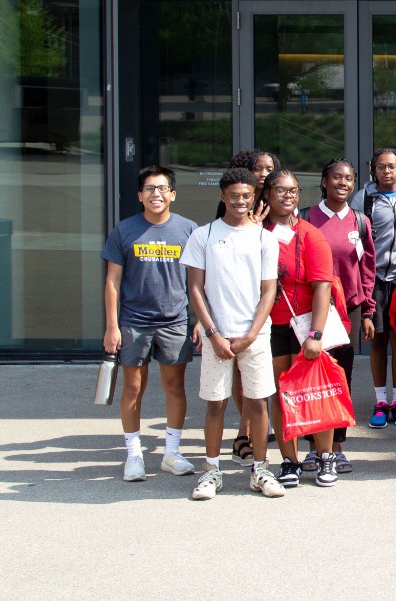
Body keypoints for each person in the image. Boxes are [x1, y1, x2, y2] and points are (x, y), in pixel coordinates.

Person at [180, 168, 284, 500]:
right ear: (222, 197)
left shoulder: (264, 238)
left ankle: (260, 469)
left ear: (255, 197)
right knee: (216, 403)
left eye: (247, 196)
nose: (241, 201)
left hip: (255, 335)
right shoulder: (203, 235)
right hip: (217, 336)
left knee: (257, 402)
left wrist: (251, 334)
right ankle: (211, 471)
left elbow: (269, 291)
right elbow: (195, 288)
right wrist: (212, 333)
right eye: (234, 196)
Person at [102, 165, 199, 481]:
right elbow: (113, 280)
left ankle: (171, 453)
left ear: (172, 194)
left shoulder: (188, 229)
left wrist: (198, 320)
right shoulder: (124, 230)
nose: (155, 194)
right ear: (139, 195)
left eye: (161, 188)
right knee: (133, 388)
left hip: (174, 320)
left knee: (175, 386)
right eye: (148, 189)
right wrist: (112, 326)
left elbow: (200, 281)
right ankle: (133, 455)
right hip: (134, 321)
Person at [262, 169, 345, 489]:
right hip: (272, 327)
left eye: (293, 191)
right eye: (280, 190)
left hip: (306, 326)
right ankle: (290, 460)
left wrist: (316, 335)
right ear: (267, 194)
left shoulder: (310, 234)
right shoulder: (259, 234)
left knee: (313, 393)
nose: (288, 196)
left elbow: (323, 287)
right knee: (282, 395)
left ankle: (325, 457)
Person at [299, 158, 374, 473]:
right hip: (311, 309)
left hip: (349, 309)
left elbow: (367, 269)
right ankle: (313, 448)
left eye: (348, 179)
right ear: (324, 181)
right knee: (310, 377)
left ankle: (337, 446)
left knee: (341, 377)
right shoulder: (305, 218)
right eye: (336, 178)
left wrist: (368, 310)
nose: (343, 183)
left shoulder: (360, 221)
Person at [216, 148, 276, 465]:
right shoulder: (234, 203)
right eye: (258, 168)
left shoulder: (278, 197)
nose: (264, 173)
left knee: (263, 373)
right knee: (242, 372)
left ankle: (254, 429)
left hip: (271, 293)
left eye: (269, 168)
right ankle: (246, 430)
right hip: (239, 301)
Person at [350, 148, 396, 431]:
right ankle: (380, 401)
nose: (386, 171)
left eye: (391, 166)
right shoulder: (363, 198)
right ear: (373, 171)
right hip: (374, 278)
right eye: (380, 167)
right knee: (376, 340)